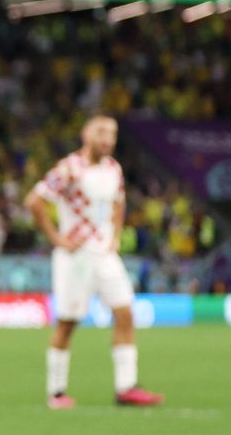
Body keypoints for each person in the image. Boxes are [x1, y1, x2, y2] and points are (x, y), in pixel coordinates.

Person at [26, 114, 161, 409]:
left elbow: (119, 203)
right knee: (68, 322)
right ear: (86, 134)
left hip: (104, 254)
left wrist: (114, 235)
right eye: (101, 132)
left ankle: (127, 387)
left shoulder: (114, 169)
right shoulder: (69, 168)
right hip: (75, 256)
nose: (107, 139)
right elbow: (34, 200)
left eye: (112, 134)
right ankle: (57, 392)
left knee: (125, 312)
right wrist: (57, 238)